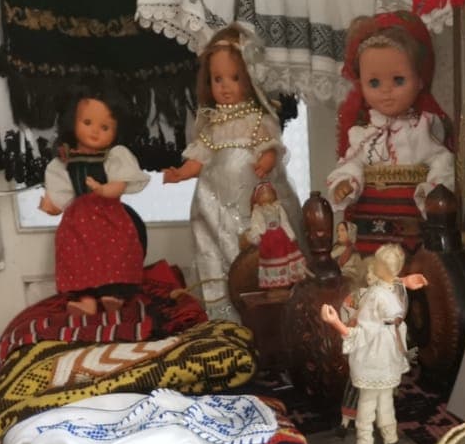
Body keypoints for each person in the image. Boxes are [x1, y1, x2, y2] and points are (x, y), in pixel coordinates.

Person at [164, 24, 302, 321]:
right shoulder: (213, 122)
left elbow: (270, 146)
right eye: (218, 79)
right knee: (214, 244)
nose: (225, 87)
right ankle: (223, 310)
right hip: (214, 199)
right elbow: (201, 156)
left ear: (250, 78)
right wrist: (182, 173)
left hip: (251, 197)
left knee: (255, 244)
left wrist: (267, 160)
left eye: (235, 78)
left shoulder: (258, 119)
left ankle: (268, 306)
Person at [326, 11, 454, 255]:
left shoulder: (423, 127)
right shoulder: (362, 133)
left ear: (419, 80)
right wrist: (346, 181)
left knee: (413, 264)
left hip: (410, 223)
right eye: (374, 83)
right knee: (368, 265)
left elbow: (442, 159)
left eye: (398, 80)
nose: (386, 91)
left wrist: (433, 191)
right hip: (371, 223)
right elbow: (352, 162)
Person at [40, 93, 149, 315]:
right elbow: (62, 196)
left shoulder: (115, 156)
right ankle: (87, 301)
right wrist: (51, 207)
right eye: (87, 122)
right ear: (72, 122)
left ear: (117, 131)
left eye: (105, 127)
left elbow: (119, 186)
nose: (95, 131)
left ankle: (113, 295)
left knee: (114, 253)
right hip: (78, 221)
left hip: (110, 216)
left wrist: (103, 190)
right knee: (79, 257)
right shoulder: (65, 161)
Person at [320, 244, 428, 444]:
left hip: (374, 353)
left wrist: (335, 322)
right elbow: (392, 284)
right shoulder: (396, 290)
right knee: (385, 400)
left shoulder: (375, 295)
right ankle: (391, 439)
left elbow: (362, 331)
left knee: (367, 402)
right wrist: (405, 280)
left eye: (377, 262)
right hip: (391, 352)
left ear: (382, 268)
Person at [244, 181, 307, 289]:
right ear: (257, 198)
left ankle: (287, 280)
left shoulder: (278, 207)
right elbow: (256, 225)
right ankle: (275, 283)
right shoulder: (258, 211)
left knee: (286, 258)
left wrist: (291, 235)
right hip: (268, 240)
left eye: (269, 192)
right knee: (271, 260)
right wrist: (256, 236)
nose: (266, 194)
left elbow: (284, 222)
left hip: (282, 238)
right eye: (262, 193)